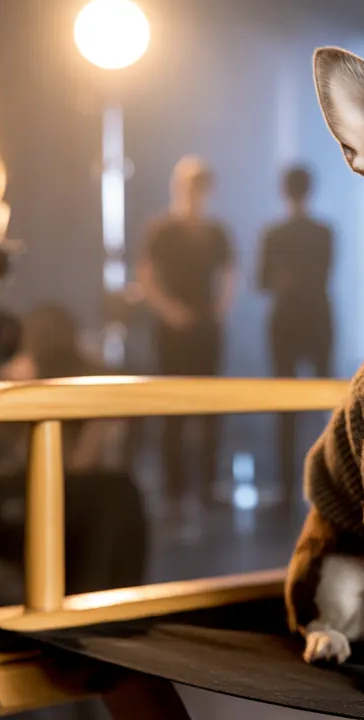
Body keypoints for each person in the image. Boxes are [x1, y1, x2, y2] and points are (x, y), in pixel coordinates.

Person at [0, 303, 147, 596]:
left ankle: (98, 611)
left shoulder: (40, 394)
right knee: (113, 499)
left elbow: (75, 465)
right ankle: (92, 616)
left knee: (115, 496)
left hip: (19, 491)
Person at [138, 156, 235, 525]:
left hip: (206, 330)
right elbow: (147, 276)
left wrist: (219, 310)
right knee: (172, 412)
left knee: (211, 410)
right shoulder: (162, 230)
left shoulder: (216, 232)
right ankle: (176, 491)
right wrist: (170, 312)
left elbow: (229, 273)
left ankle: (208, 487)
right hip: (172, 331)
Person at [258, 166, 334, 523]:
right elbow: (324, 274)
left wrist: (282, 279)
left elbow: (262, 282)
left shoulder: (273, 235)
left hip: (287, 322)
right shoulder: (324, 233)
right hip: (317, 319)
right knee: (326, 405)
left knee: (284, 408)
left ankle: (290, 490)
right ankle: (328, 484)